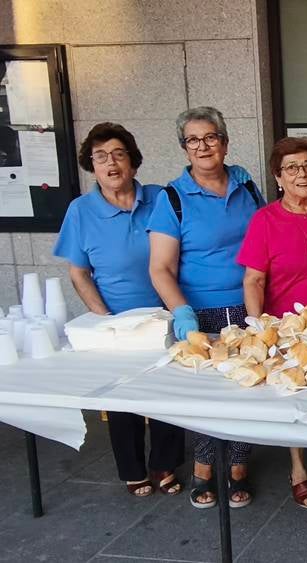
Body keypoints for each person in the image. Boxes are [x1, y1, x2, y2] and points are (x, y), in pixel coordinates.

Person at [53, 123, 185, 498]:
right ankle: (131, 468)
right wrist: (103, 319)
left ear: (133, 161)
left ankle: (165, 463)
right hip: (116, 322)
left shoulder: (160, 198)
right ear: (91, 166)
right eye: (100, 157)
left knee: (165, 392)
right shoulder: (81, 211)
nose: (110, 163)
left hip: (165, 316)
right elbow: (79, 273)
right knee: (121, 397)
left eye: (118, 154)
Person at [147, 106, 263, 510]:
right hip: (202, 313)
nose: (203, 146)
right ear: (184, 148)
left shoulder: (247, 188)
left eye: (211, 137)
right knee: (208, 397)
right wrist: (182, 312)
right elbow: (160, 268)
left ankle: (238, 468)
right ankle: (202, 469)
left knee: (246, 390)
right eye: (193, 140)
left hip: (249, 306)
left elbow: (266, 241)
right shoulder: (173, 198)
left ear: (225, 142)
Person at [236, 137, 307, 508]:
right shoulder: (265, 220)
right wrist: (257, 328)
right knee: (294, 398)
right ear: (278, 176)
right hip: (287, 328)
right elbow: (253, 280)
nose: (302, 174)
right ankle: (298, 466)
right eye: (292, 168)